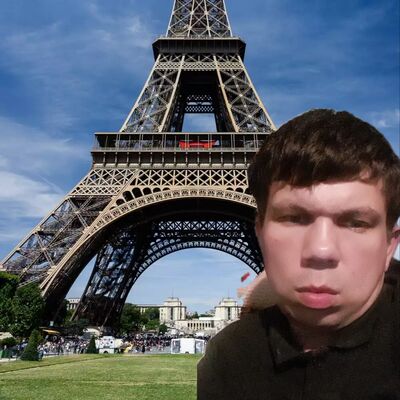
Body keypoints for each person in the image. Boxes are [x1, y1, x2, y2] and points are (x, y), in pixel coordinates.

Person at [197, 109, 400, 399]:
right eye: (294, 218)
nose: (321, 250)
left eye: (356, 223)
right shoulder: (226, 355)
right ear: (260, 233)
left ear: (389, 246)